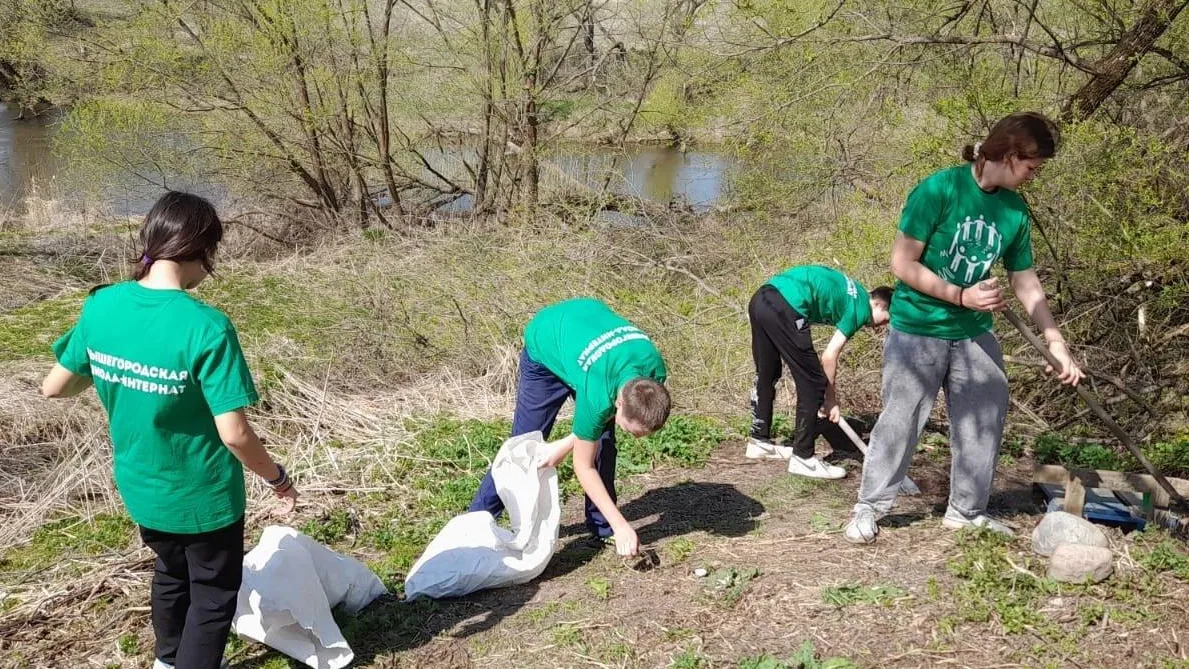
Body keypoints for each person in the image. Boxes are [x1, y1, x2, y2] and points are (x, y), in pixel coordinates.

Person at [40, 191, 299, 669]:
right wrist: (277, 479)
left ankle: (166, 660)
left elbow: (55, 387)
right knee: (214, 595)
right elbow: (235, 434)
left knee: (170, 573)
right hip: (203, 497)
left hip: (142, 486)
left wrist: (113, 366)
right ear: (201, 250)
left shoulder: (102, 305)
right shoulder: (207, 327)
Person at [844, 112, 1084, 544]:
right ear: (1011, 156)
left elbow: (1023, 279)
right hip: (918, 328)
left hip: (973, 331)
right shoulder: (940, 189)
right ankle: (870, 507)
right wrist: (959, 295)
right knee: (902, 419)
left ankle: (966, 511)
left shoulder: (1013, 209)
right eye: (1031, 167)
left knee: (985, 414)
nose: (1033, 176)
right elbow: (902, 264)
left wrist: (1055, 341)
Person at [468, 297, 670, 557]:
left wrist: (567, 443)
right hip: (547, 342)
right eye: (632, 431)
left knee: (602, 445)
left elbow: (597, 431)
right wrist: (624, 525)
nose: (637, 439)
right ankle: (476, 520)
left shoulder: (655, 373)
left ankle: (603, 527)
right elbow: (582, 466)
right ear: (619, 402)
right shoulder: (599, 397)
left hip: (585, 331)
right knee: (524, 446)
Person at [745, 265, 892, 478]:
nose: (881, 326)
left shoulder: (854, 290)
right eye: (886, 318)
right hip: (785, 305)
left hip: (762, 297)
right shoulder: (860, 308)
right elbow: (829, 356)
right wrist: (830, 400)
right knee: (813, 381)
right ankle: (803, 458)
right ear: (878, 303)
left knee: (768, 372)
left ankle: (759, 441)